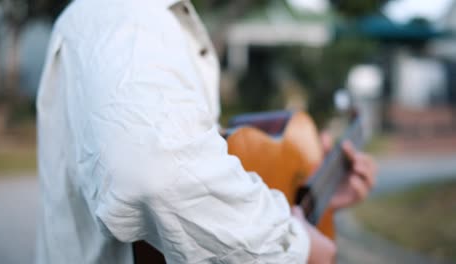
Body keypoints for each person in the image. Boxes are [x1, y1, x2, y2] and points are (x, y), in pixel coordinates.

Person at [36, 0, 376, 263]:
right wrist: (292, 247)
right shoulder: (132, 16)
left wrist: (316, 197)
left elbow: (195, 189)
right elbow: (156, 174)